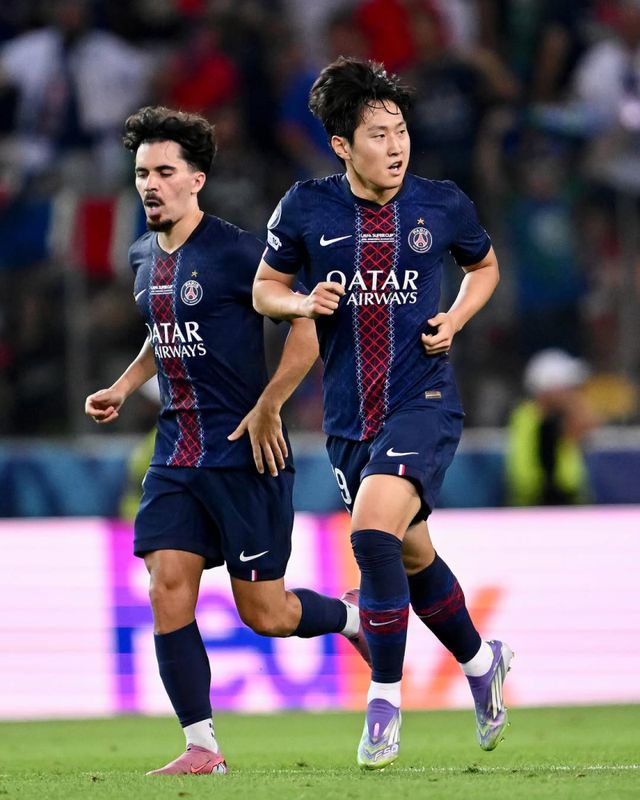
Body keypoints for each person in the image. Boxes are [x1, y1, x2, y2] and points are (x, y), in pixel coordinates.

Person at [84, 105, 369, 776]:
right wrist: (124, 386)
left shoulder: (240, 253)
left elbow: (305, 324)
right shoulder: (143, 255)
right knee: (165, 585)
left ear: (197, 180)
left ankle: (353, 618)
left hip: (245, 452)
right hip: (176, 454)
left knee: (266, 613)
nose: (150, 185)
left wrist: (271, 404)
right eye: (141, 174)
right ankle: (202, 747)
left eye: (164, 172)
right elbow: (163, 331)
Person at [253, 56, 512, 770]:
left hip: (422, 399)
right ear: (342, 144)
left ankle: (384, 703)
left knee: (370, 535)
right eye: (378, 134)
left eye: (400, 131)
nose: (396, 147)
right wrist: (301, 301)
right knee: (411, 552)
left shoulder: (440, 203)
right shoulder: (306, 207)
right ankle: (481, 661)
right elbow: (265, 287)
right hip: (348, 421)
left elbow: (484, 266)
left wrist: (455, 318)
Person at [505, 348, 596, 506]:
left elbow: (589, 423)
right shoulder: (527, 417)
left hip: (564, 499)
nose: (571, 392)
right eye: (566, 386)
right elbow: (524, 478)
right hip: (533, 504)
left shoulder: (558, 417)